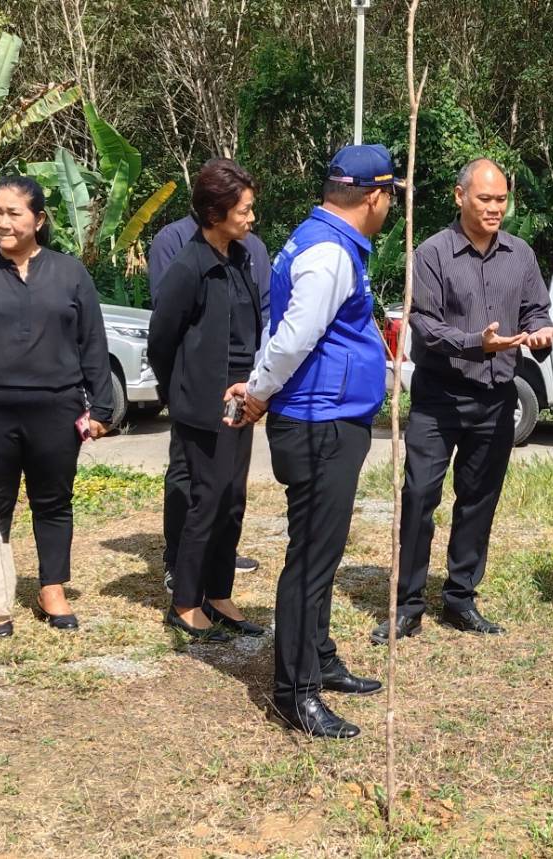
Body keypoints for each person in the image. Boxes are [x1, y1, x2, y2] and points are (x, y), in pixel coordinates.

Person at [227, 143, 399, 739]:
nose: (390, 208)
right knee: (311, 559)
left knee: (320, 554)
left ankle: (319, 658)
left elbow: (280, 326)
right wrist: (257, 392)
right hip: (320, 423)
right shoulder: (329, 254)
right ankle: (294, 692)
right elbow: (293, 338)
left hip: (324, 418)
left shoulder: (316, 240)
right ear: (375, 196)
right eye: (391, 197)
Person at [378, 158, 553, 644]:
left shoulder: (520, 255)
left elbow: (536, 309)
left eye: (501, 199)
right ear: (460, 198)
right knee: (419, 497)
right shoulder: (432, 253)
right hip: (440, 396)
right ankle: (407, 604)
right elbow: (424, 324)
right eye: (485, 199)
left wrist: (539, 333)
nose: (495, 208)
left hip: (497, 397)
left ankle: (460, 597)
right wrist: (479, 342)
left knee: (479, 500)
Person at [0, 176, 117, 637]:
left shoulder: (69, 272)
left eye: (14, 213)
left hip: (56, 407)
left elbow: (93, 343)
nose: (2, 222)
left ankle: (52, 587)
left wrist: (103, 408)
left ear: (39, 219)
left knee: (54, 501)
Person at [148, 159, 268, 642]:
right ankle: (185, 603)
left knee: (232, 503)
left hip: (242, 399)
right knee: (205, 502)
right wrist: (186, 391)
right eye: (244, 210)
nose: (251, 218)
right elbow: (162, 340)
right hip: (203, 405)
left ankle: (219, 595)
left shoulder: (239, 258)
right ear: (216, 212)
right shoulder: (189, 265)